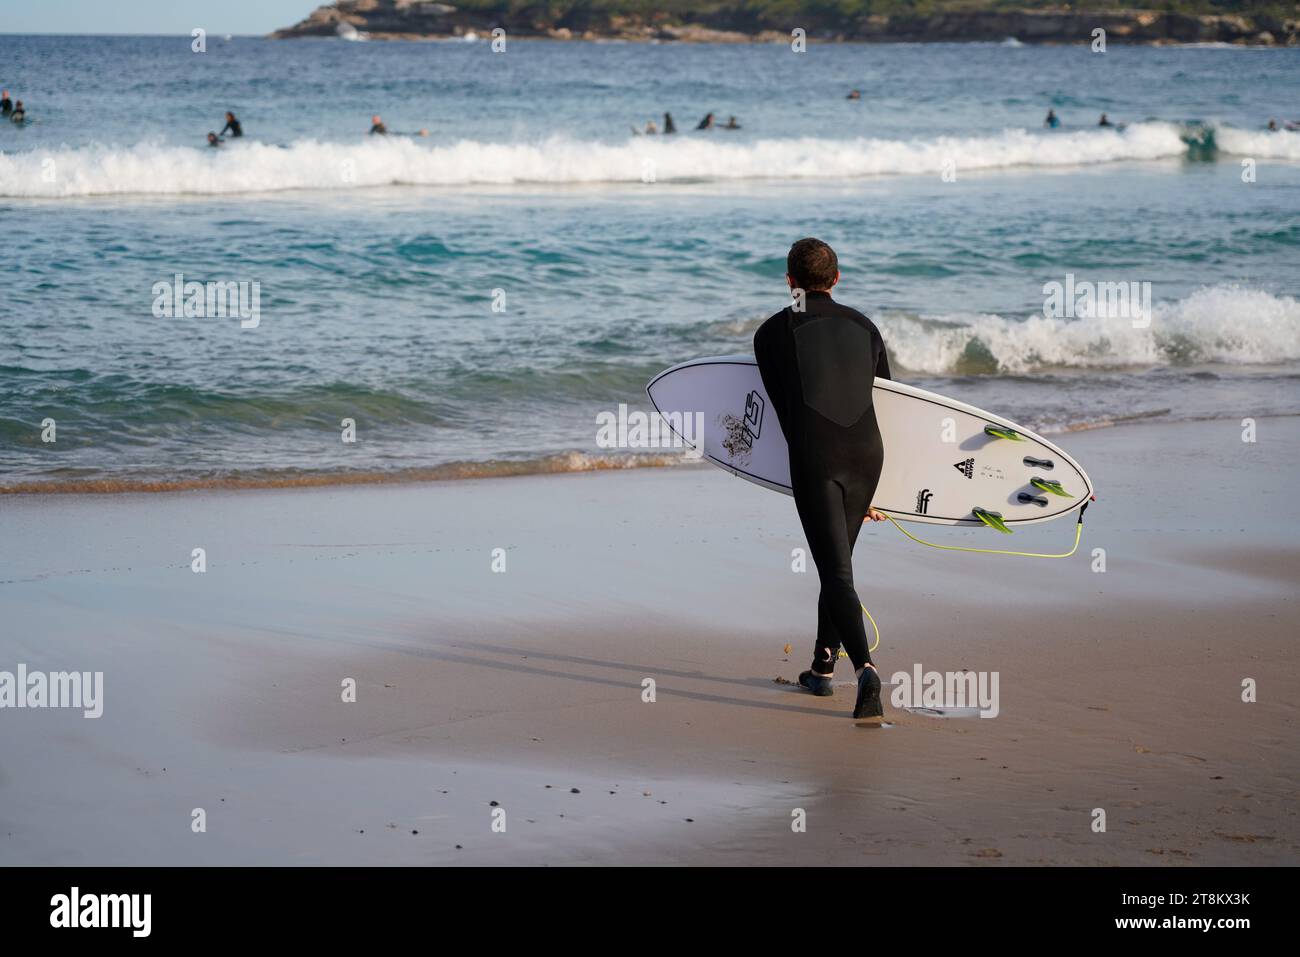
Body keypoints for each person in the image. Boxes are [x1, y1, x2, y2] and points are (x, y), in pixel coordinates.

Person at [753, 238, 891, 722]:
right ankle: (822, 668)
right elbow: (889, 401)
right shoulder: (866, 327)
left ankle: (868, 671)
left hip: (817, 456)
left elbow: (782, 410)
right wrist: (880, 490)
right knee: (839, 566)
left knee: (835, 572)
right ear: (837, 279)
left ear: (789, 281)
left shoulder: (771, 331)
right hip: (869, 455)